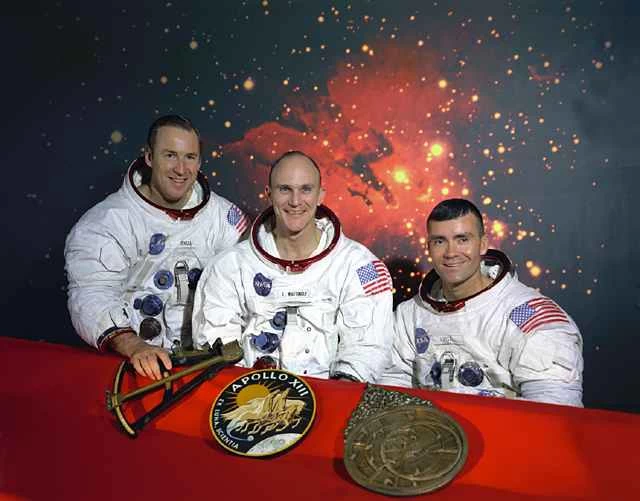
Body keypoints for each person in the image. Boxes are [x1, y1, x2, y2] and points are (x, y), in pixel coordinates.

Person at [65, 115, 248, 380]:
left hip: (205, 366)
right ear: (149, 157)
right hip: (135, 365)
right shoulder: (107, 222)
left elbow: (248, 286)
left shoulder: (225, 219)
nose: (181, 169)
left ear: (199, 162)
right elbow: (91, 295)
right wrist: (135, 346)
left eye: (190, 157)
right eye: (170, 155)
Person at [192, 151, 394, 382]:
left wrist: (339, 391)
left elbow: (367, 347)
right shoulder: (229, 266)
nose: (295, 201)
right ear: (269, 194)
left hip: (332, 395)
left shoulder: (359, 266)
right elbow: (217, 346)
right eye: (284, 189)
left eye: (306, 189)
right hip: (250, 393)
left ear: (320, 195)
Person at [380, 198, 584, 406]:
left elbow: (553, 410)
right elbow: (390, 392)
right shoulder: (410, 315)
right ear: (429, 247)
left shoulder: (527, 316)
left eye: (462, 239)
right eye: (439, 241)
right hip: (429, 426)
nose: (451, 253)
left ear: (483, 244)